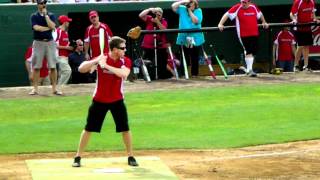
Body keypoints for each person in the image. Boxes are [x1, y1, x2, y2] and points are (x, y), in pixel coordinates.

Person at [72, 36, 138, 167]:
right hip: (99, 100)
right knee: (88, 128)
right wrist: (96, 60)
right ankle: (78, 156)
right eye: (122, 48)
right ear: (114, 49)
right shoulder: (102, 58)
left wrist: (106, 66)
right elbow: (81, 69)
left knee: (125, 128)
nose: (125, 50)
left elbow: (123, 74)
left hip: (117, 100)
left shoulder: (125, 61)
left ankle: (131, 156)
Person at [218, 0, 268, 77]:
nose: (243, 4)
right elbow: (227, 14)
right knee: (249, 51)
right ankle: (250, 70)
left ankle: (247, 69)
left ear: (249, 2)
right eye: (242, 2)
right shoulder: (237, 7)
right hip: (243, 35)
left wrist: (264, 22)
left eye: (245, 2)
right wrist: (220, 24)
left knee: (253, 51)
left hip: (254, 33)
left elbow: (260, 14)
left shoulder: (253, 7)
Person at [30, 0, 62, 95]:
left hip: (50, 42)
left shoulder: (51, 15)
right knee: (36, 67)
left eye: (44, 3)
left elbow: (53, 26)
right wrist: (48, 28)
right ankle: (35, 89)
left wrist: (46, 16)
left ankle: (54, 89)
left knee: (53, 66)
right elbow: (36, 28)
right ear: (37, 4)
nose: (43, 5)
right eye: (41, 3)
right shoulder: (34, 16)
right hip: (38, 42)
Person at [172, 0, 205, 78]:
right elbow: (173, 6)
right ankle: (183, 74)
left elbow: (196, 21)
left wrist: (190, 11)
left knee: (194, 56)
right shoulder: (183, 9)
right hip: (183, 36)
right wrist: (184, 1)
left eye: (192, 4)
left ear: (195, 5)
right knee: (184, 56)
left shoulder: (198, 10)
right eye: (189, 4)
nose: (190, 6)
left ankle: (194, 74)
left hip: (195, 37)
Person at [139, 7, 170, 80]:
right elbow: (141, 15)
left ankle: (161, 76)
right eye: (156, 12)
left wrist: (157, 22)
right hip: (148, 45)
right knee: (147, 61)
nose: (158, 14)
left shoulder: (164, 21)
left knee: (162, 60)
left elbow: (164, 30)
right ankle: (147, 76)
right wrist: (149, 9)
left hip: (160, 45)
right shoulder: (150, 19)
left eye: (160, 13)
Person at [290, 0, 318, 71]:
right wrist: (294, 20)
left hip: (308, 27)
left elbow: (313, 13)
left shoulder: (312, 2)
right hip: (299, 28)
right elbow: (291, 14)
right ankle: (296, 65)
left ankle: (306, 66)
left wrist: (315, 19)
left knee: (306, 46)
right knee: (300, 46)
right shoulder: (298, 2)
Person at [55, 15, 73, 85]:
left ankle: (57, 90)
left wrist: (72, 46)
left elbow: (66, 45)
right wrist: (66, 47)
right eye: (68, 21)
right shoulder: (57, 31)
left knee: (61, 75)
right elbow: (54, 45)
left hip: (65, 56)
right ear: (64, 22)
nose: (69, 23)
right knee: (67, 71)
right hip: (59, 56)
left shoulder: (65, 32)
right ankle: (60, 87)